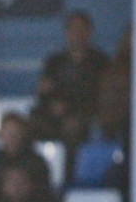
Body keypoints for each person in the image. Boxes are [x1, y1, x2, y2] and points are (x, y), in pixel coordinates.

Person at [33, 11, 109, 148]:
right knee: (33, 124)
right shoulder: (54, 61)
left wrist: (70, 108)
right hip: (53, 114)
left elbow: (102, 96)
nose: (77, 33)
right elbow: (44, 90)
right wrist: (53, 104)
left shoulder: (101, 62)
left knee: (72, 127)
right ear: (66, 33)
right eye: (73, 29)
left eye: (82, 29)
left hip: (85, 114)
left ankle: (69, 169)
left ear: (89, 32)